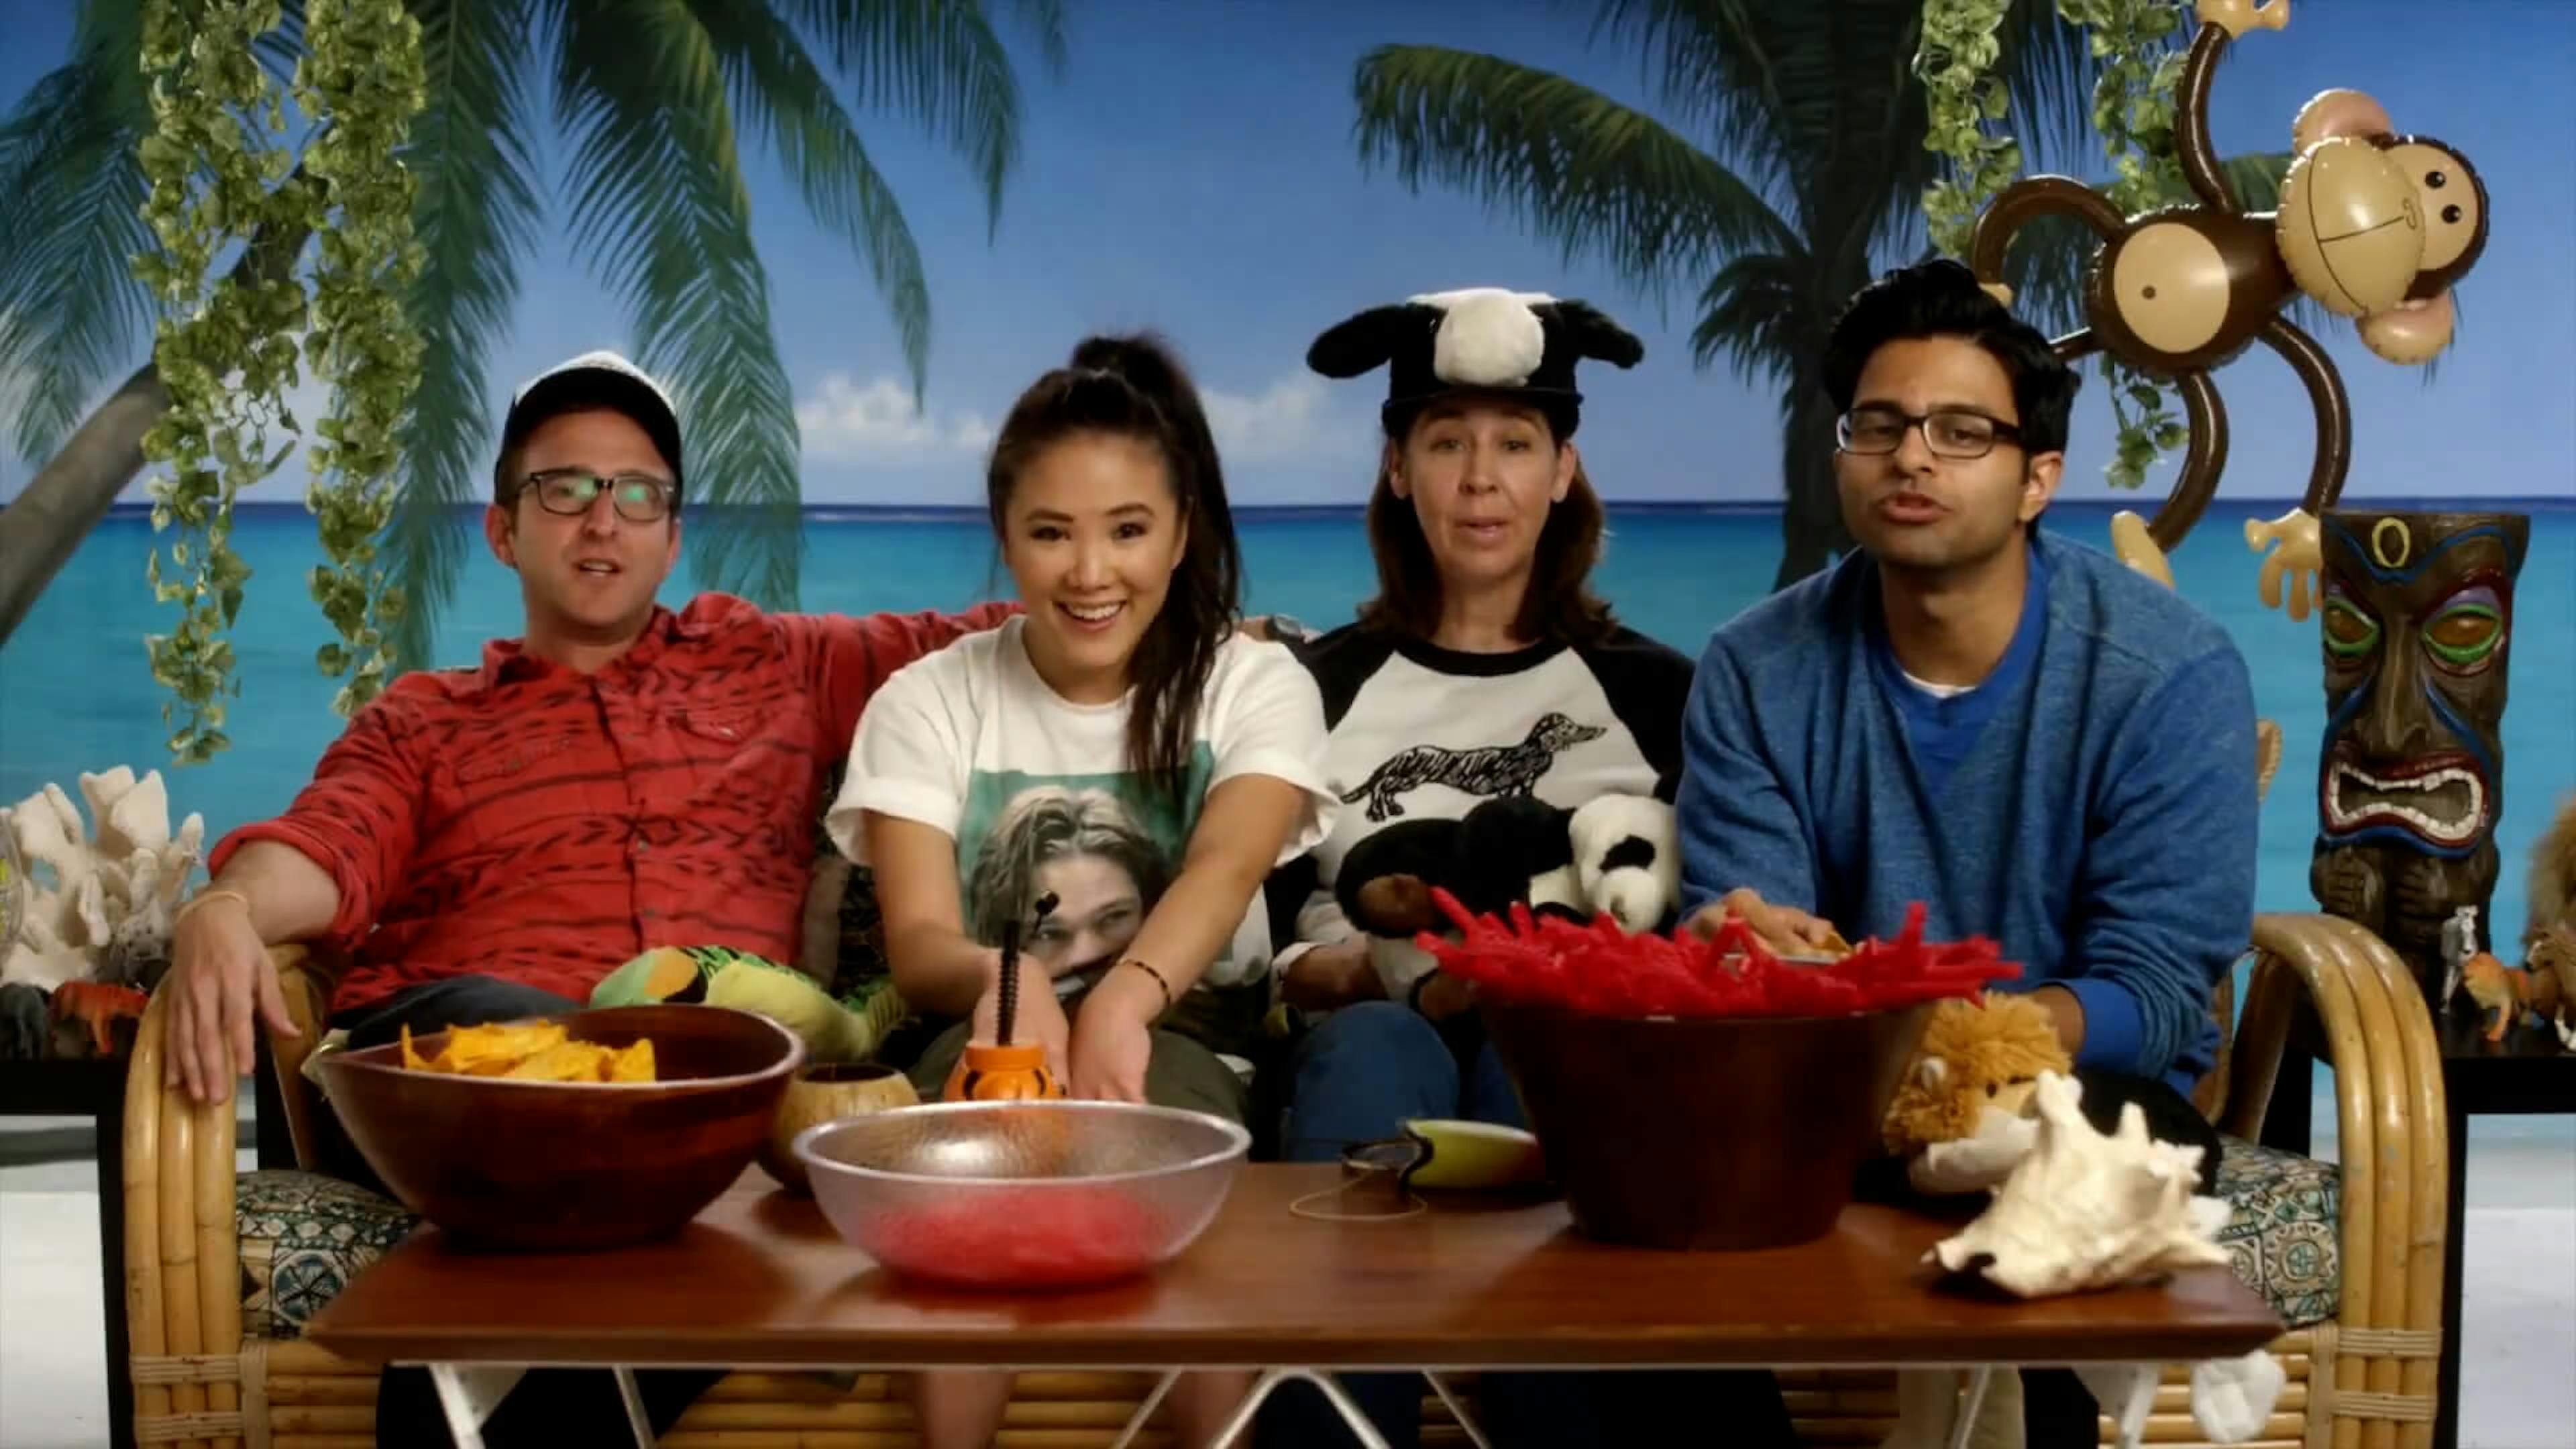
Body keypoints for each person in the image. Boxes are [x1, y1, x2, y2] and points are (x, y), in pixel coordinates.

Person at [158, 348, 1016, 1448]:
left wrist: (1230, 648)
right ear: (504, 529)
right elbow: (327, 844)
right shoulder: (426, 719)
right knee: (545, 1057)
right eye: (563, 488)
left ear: (671, 530)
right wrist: (222, 910)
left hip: (696, 1095)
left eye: (636, 494)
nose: (601, 520)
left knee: (691, 1096)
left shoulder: (780, 666)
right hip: (464, 1061)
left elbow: (1009, 647)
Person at [1671, 258, 2261, 1447]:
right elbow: (1753, 941)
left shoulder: (2168, 673)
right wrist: (1746, 947)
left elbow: (2155, 990)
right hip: (1827, 1093)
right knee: (1668, 1165)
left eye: (1959, 431)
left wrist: (1964, 1049)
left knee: (2069, 1143)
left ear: (2038, 478)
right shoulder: (1756, 669)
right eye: (1878, 426)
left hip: (2080, 1089)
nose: (1911, 458)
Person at [1257, 287, 1792, 1449]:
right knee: (1377, 1046)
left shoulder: (1659, 691)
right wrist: (1383, 973)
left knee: (1536, 1052)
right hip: (1357, 1024)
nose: (1480, 479)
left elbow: (1693, 922)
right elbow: (1262, 948)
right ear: (1399, 470)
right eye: (1446, 444)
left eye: (1514, 444)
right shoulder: (1308, 688)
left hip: (1570, 1042)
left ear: (1563, 470)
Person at [824, 333, 1338, 1448]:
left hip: (1190, 1030)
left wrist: (1122, 998)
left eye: (1128, 531)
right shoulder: (928, 702)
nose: (1091, 573)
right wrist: (1013, 982)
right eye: (1051, 533)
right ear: (1007, 539)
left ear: (1181, 532)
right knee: (962, 1172)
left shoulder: (1254, 683)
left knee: (1173, 1153)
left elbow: (1224, 865)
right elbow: (918, 940)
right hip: (984, 1028)